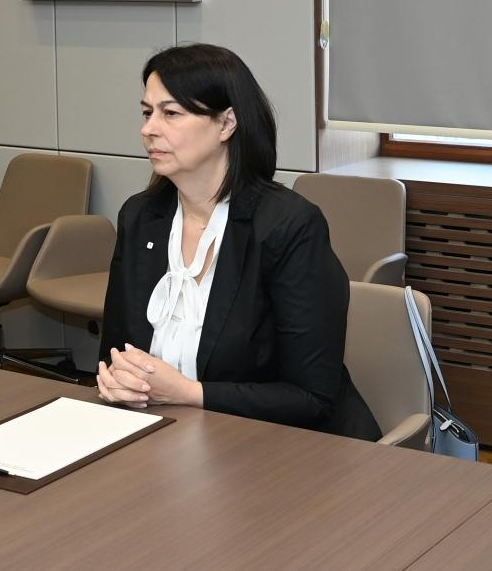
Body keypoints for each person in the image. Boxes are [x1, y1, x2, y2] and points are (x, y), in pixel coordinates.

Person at [96, 43, 380, 439]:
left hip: (280, 446)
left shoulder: (289, 226)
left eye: (171, 113)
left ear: (227, 124)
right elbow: (115, 352)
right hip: (167, 436)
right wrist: (117, 381)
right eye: (147, 113)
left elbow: (312, 398)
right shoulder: (140, 218)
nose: (149, 129)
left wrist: (189, 393)